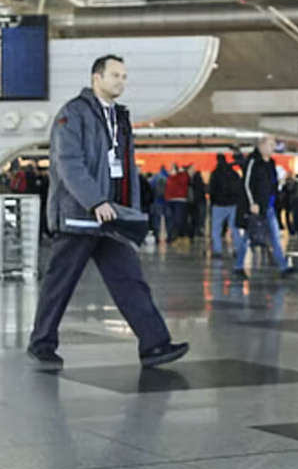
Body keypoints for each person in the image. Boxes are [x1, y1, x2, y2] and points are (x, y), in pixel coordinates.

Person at [27, 56, 190, 370]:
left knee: (130, 280)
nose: (121, 81)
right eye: (115, 75)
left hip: (110, 217)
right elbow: (69, 163)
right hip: (80, 216)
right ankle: (41, 343)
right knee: (59, 283)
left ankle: (155, 344)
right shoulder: (73, 114)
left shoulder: (118, 117)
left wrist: (126, 210)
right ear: (96, 78)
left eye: (125, 76)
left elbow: (125, 168)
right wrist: (94, 201)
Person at [234, 136, 298, 279]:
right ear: (261, 145)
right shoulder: (253, 162)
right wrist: (252, 203)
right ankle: (238, 266)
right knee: (247, 237)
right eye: (270, 145)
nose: (273, 148)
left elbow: (272, 184)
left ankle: (283, 267)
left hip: (268, 207)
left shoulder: (270, 163)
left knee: (275, 238)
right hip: (256, 208)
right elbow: (247, 184)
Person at [208, 153, 243, 256]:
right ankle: (238, 249)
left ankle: (218, 250)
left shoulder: (215, 173)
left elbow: (212, 189)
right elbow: (239, 188)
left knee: (216, 229)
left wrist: (212, 201)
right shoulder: (233, 173)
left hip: (218, 205)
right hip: (233, 204)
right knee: (234, 228)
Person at [164, 164, 192, 243]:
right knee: (172, 219)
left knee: (177, 219)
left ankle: (175, 235)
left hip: (178, 200)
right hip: (173, 200)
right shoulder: (171, 178)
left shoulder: (180, 176)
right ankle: (172, 236)